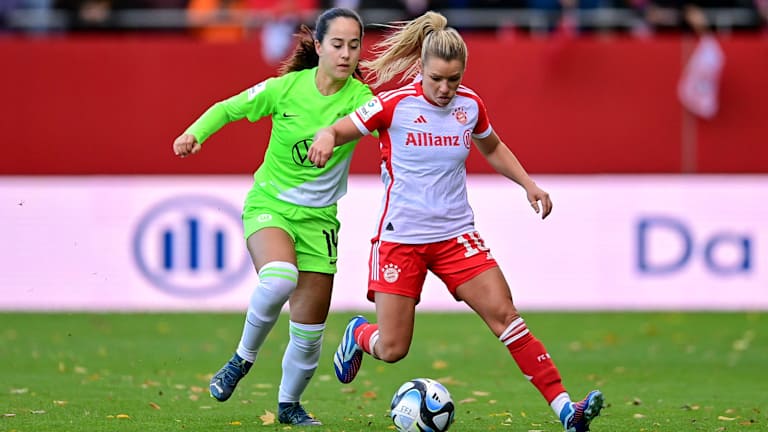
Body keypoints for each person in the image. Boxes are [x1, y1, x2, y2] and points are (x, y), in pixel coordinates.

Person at [307, 11, 604, 432]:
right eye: (437, 79)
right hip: (401, 239)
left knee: (506, 315)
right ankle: (358, 334)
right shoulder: (393, 105)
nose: (446, 89)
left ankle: (565, 411)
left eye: (454, 79)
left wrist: (528, 184)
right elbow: (338, 130)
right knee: (392, 348)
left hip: (456, 236)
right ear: (422, 70)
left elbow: (493, 146)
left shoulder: (470, 105)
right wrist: (324, 136)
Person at [172, 7, 372, 426]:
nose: (346, 53)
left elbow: (397, 123)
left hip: (319, 221)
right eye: (337, 44)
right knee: (280, 277)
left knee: (309, 335)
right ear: (318, 46)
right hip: (271, 206)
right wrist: (195, 132)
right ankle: (241, 360)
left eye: (354, 45)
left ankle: (288, 406)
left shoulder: (362, 101)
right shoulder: (285, 89)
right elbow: (227, 108)